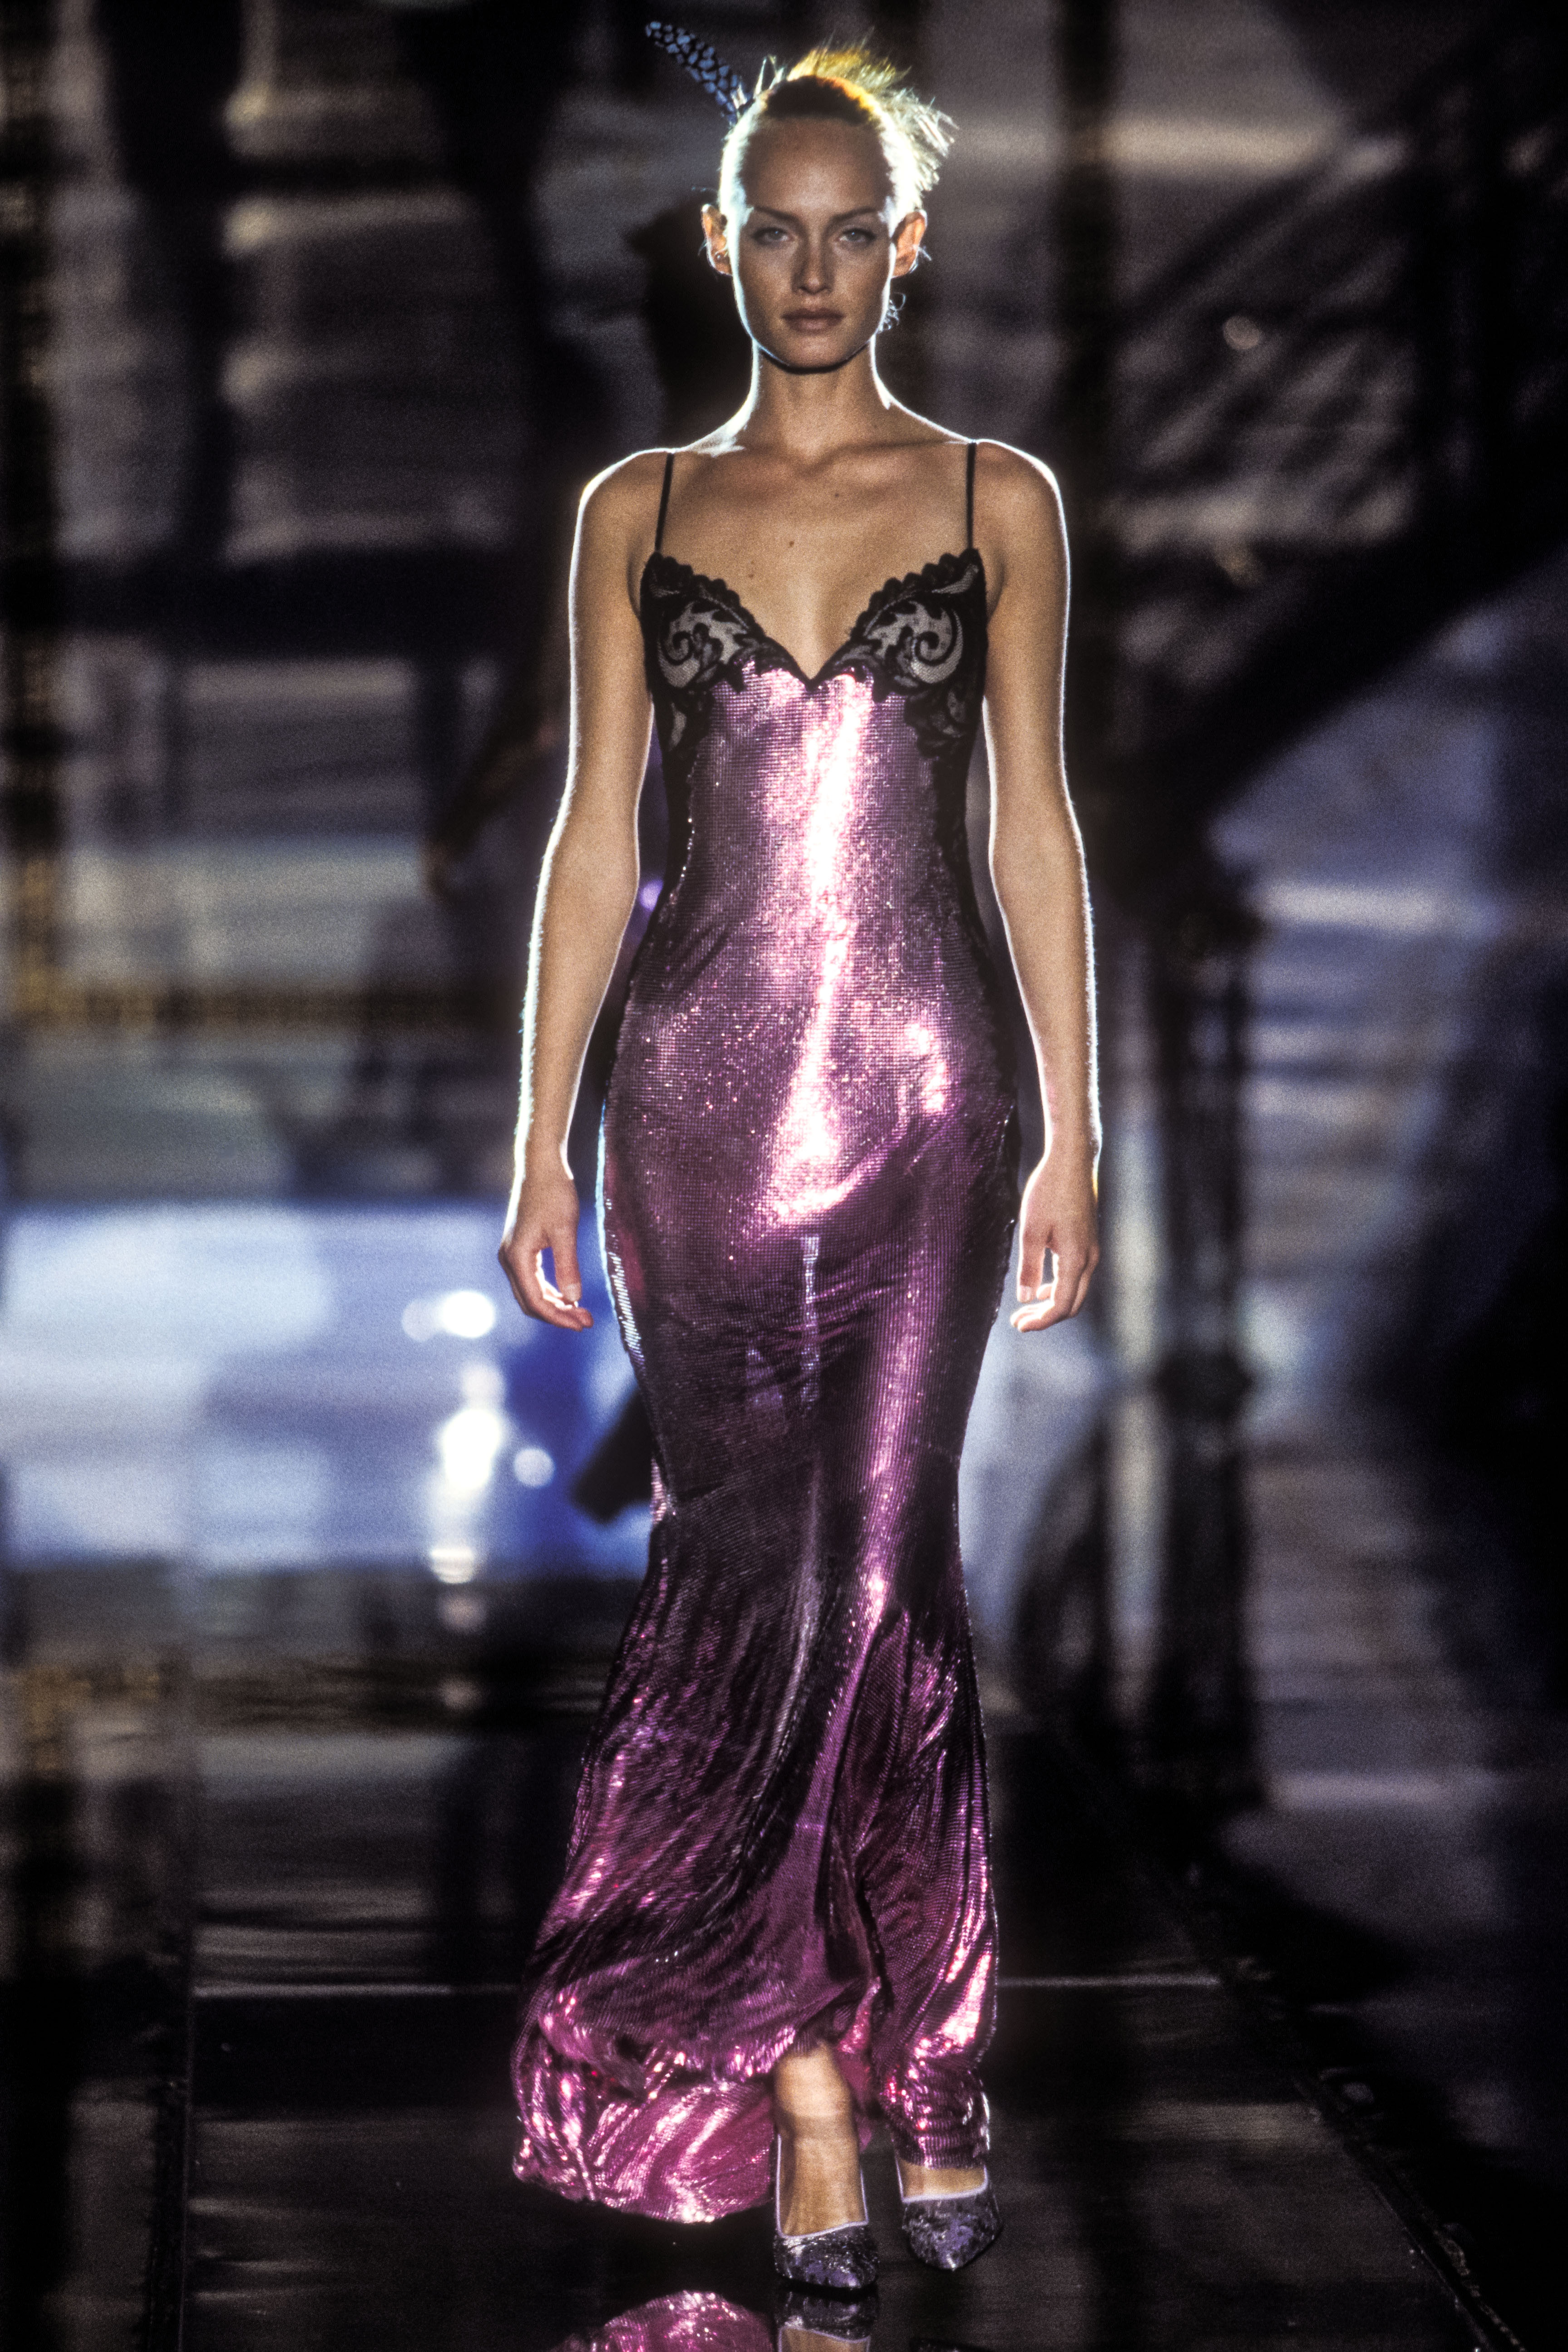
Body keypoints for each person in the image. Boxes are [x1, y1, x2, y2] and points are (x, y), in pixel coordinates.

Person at [498, 33, 1100, 2298]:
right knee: (747, 1578)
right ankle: (827, 2075)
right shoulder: (641, 510)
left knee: (881, 1572)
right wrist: (541, 1143)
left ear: (908, 245)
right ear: (722, 242)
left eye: (857, 232)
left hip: (935, 1098)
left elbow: (1033, 830)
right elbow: (597, 840)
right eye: (781, 229)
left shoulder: (997, 499)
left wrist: (1078, 1127)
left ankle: (907, 2031)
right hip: (697, 1111)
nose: (818, 267)